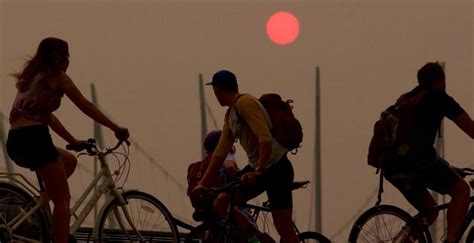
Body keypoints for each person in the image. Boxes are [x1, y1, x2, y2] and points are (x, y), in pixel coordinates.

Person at [5, 37, 130, 243]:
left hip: (16, 140)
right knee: (63, 200)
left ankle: (39, 208)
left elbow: (47, 117)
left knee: (69, 160)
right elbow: (85, 105)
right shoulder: (58, 78)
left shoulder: (31, 78)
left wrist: (73, 140)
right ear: (62, 58)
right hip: (35, 138)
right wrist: (114, 127)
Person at [195, 70, 299, 243]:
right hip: (258, 166)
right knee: (221, 203)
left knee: (284, 227)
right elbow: (220, 153)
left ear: (218, 90)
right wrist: (202, 184)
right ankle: (258, 239)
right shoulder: (231, 114)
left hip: (276, 167)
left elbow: (264, 138)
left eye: (214, 91)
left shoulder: (245, 103)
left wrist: (259, 170)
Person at [382, 62, 474, 243]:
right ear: (441, 81)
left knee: (429, 212)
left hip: (393, 165)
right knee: (462, 190)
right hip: (417, 164)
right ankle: (451, 240)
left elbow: (417, 145)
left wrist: (447, 167)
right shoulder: (439, 98)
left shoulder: (410, 97)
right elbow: (471, 130)